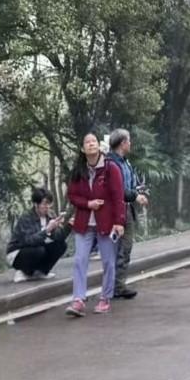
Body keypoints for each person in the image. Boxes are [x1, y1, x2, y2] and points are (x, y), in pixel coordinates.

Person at [64, 131, 125, 317]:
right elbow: (72, 196)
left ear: (99, 146)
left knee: (108, 262)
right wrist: (87, 204)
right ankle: (78, 300)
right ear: (82, 149)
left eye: (93, 141)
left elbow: (118, 196)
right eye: (87, 142)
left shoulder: (110, 168)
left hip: (106, 223)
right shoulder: (78, 171)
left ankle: (105, 298)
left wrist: (119, 222)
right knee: (79, 260)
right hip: (84, 223)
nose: (90, 144)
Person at [108, 128, 150, 300]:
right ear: (123, 143)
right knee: (112, 251)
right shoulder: (110, 164)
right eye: (129, 140)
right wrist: (135, 196)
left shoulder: (126, 163)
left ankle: (118, 285)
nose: (130, 144)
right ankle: (112, 286)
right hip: (113, 210)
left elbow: (130, 186)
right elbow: (117, 190)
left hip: (127, 209)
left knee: (125, 249)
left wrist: (138, 192)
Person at [6, 185, 69, 282]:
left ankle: (41, 272)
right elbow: (28, 241)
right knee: (39, 250)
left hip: (38, 247)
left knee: (61, 245)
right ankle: (23, 272)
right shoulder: (26, 217)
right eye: (44, 204)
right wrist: (47, 230)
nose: (47, 207)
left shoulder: (50, 215)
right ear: (36, 204)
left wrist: (64, 227)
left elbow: (59, 238)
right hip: (17, 253)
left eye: (49, 204)